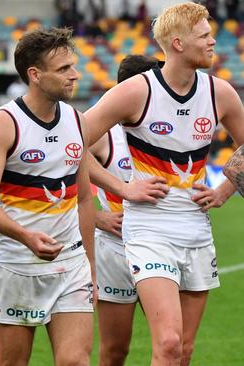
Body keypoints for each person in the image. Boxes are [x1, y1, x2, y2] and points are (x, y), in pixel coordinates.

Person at [84, 3, 244, 365]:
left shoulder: (220, 92)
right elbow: (72, 141)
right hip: (149, 230)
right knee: (169, 344)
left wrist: (224, 190)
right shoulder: (136, 91)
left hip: (197, 230)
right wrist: (123, 189)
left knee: (184, 351)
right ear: (177, 44)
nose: (213, 42)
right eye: (204, 35)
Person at [0, 27, 96, 365]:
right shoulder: (4, 123)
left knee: (76, 361)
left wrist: (90, 265)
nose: (75, 75)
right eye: (64, 69)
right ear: (35, 75)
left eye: (73, 66)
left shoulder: (77, 120)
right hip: (18, 266)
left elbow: (84, 198)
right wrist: (26, 237)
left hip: (71, 265)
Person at [89, 54, 160, 366]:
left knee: (174, 345)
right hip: (116, 251)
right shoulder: (106, 133)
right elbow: (64, 161)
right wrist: (97, 216)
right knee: (115, 351)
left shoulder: (170, 128)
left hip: (163, 245)